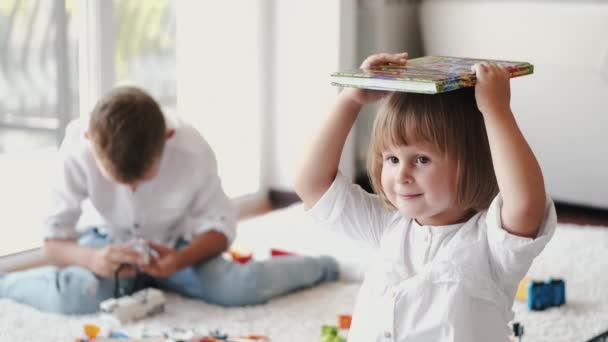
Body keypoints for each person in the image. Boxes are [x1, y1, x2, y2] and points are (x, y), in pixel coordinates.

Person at [0, 86, 338, 315]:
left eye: (142, 179)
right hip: (106, 247)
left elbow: (221, 230)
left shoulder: (191, 149)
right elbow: (53, 242)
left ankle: (322, 266)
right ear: (90, 140)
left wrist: (179, 259)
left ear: (168, 137)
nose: (131, 190)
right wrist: (92, 258)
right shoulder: (78, 147)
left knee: (237, 288)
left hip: (179, 247)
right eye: (120, 181)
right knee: (75, 295)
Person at [294, 52, 556, 341]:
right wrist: (350, 100)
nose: (402, 175)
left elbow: (526, 203)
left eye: (421, 160)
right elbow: (312, 185)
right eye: (392, 159)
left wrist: (497, 111)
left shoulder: (491, 245)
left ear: (471, 162)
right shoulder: (387, 225)